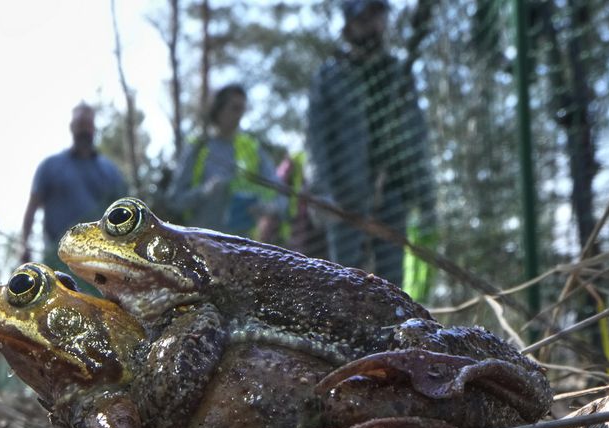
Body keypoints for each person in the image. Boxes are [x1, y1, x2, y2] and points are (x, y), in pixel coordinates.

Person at [306, 0, 435, 292]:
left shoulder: (398, 72)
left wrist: (425, 199)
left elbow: (416, 136)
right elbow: (317, 139)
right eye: (365, 17)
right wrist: (322, 191)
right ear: (350, 24)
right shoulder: (330, 75)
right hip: (345, 194)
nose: (374, 24)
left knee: (392, 284)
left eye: (379, 15)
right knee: (345, 280)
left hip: (394, 189)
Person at [20, 103, 127, 289]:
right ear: (71, 127)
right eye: (79, 124)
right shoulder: (50, 167)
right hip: (59, 262)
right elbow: (32, 208)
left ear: (94, 128)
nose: (84, 129)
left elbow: (124, 217)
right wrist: (24, 245)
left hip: (102, 266)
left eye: (87, 124)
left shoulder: (111, 172)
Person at [165, 83, 285, 239]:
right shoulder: (198, 149)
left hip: (244, 247)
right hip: (202, 243)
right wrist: (204, 191)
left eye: (242, 109)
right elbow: (175, 201)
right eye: (234, 108)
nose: (239, 115)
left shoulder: (251, 149)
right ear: (218, 109)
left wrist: (268, 208)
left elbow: (280, 194)